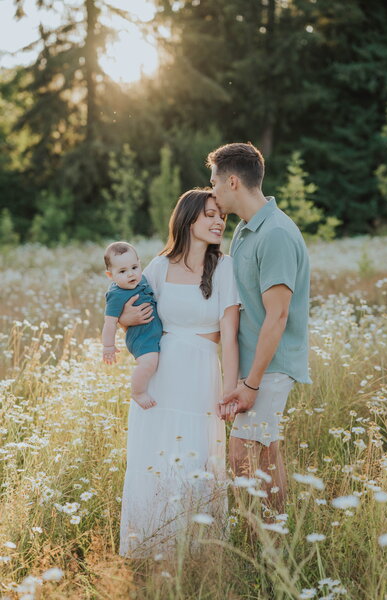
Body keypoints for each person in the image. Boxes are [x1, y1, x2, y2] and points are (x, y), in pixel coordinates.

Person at [117, 189, 240, 557]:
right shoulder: (158, 266)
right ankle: (152, 546)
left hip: (202, 374)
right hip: (160, 375)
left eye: (222, 216)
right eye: (210, 215)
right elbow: (131, 319)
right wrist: (123, 319)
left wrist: (230, 390)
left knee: (195, 458)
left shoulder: (225, 267)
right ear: (188, 220)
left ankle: (197, 553)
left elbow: (230, 338)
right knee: (154, 458)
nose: (219, 221)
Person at [207, 142, 312, 514]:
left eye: (215, 182)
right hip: (253, 366)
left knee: (240, 457)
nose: (213, 191)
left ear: (233, 182)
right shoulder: (246, 231)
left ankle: (267, 539)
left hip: (270, 367)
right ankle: (276, 543)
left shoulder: (276, 234)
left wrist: (251, 383)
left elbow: (277, 316)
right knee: (265, 455)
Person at [102, 241, 163, 409]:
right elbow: (110, 322)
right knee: (149, 363)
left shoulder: (141, 279)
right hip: (140, 337)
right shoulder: (116, 294)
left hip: (152, 332)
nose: (131, 274)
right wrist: (108, 346)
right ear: (110, 275)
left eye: (134, 267)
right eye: (122, 271)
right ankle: (138, 392)